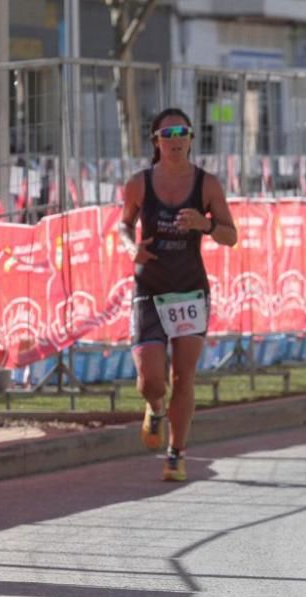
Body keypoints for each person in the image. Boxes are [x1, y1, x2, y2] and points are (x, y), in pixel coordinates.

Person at [119, 108, 238, 481]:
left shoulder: (207, 184)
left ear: (190, 138)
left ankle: (176, 453)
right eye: (167, 133)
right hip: (150, 289)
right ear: (155, 140)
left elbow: (230, 235)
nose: (174, 139)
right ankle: (155, 409)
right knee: (151, 380)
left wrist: (205, 225)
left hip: (189, 289)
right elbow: (123, 225)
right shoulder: (139, 183)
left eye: (181, 132)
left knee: (184, 376)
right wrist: (129, 247)